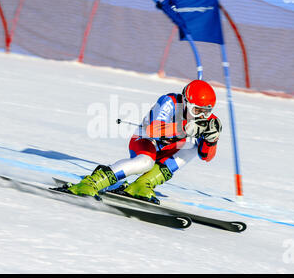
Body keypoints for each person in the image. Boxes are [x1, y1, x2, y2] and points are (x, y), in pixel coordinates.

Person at [63, 79, 222, 204]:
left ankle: (142, 184)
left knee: (194, 146)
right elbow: (152, 131)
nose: (202, 116)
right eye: (197, 110)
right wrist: (185, 129)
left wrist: (212, 140)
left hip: (168, 150)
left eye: (207, 111)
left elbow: (205, 157)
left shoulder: (207, 121)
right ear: (186, 102)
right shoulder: (170, 101)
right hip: (145, 141)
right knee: (145, 162)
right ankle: (92, 182)